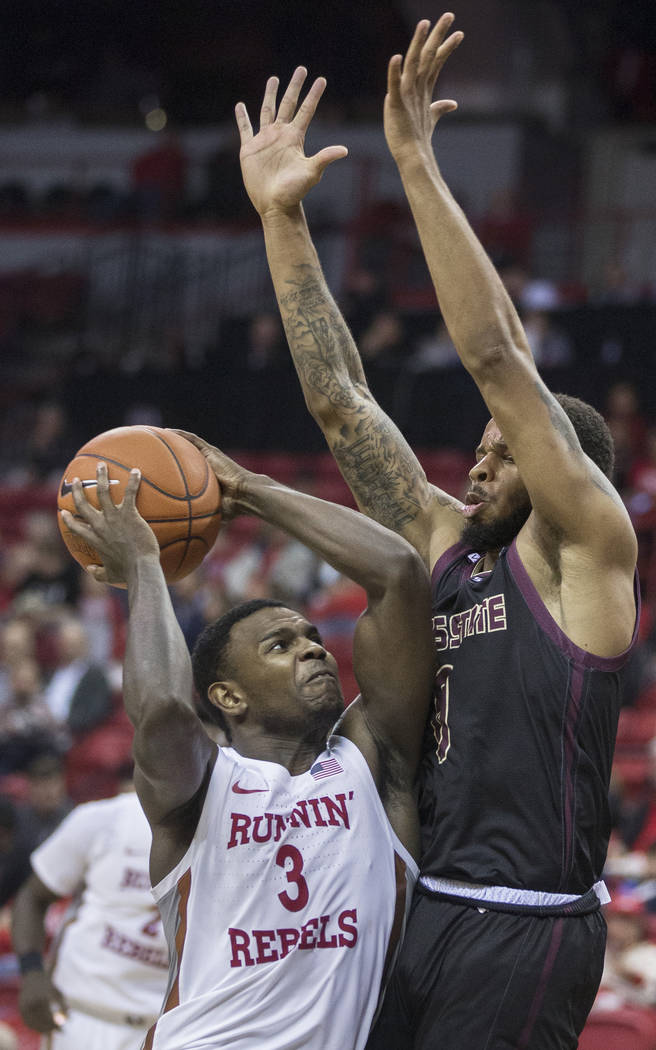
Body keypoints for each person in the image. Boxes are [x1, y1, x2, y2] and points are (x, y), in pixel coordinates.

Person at [234, 23, 639, 1049]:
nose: (478, 463)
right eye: (482, 451)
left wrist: (413, 160)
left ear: (563, 473)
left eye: (505, 455)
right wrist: (282, 220)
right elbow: (338, 403)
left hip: (523, 923)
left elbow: (497, 356)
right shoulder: (451, 543)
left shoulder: (583, 551)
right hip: (420, 896)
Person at [54, 430, 434, 1050]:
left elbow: (399, 574)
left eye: (311, 637)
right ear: (229, 696)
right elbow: (164, 712)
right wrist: (146, 567)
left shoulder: (372, 761)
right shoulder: (202, 789)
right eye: (280, 646)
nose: (312, 647)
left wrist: (249, 490)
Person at [11, 769, 168, 1050]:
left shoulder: (227, 835)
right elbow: (32, 898)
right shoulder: (104, 818)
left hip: (170, 1027)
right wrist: (32, 972)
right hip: (82, 1017)